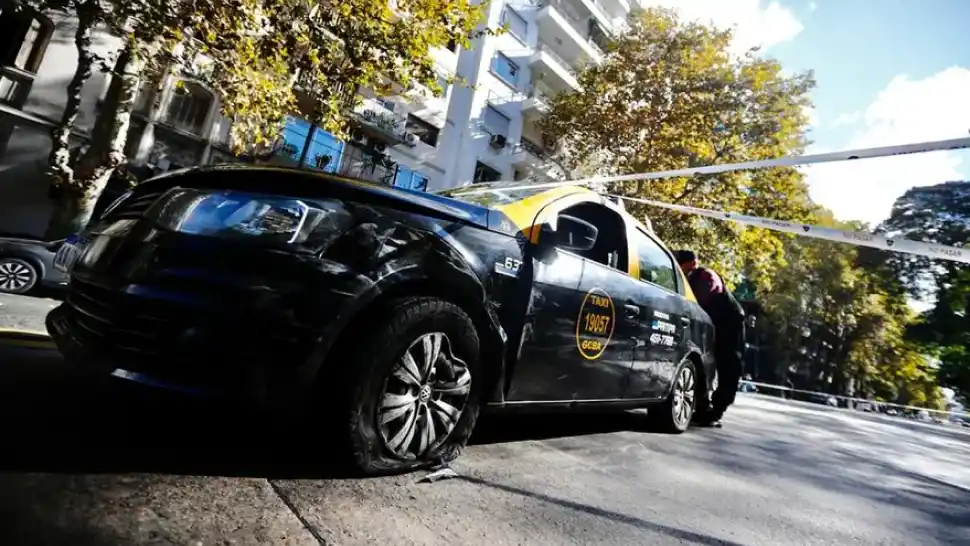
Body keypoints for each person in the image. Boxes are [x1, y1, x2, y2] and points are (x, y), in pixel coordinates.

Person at [674, 249, 746, 427]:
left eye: (679, 265)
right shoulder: (688, 279)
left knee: (728, 364)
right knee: (704, 362)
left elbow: (698, 303)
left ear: (690, 264)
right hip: (710, 323)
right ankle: (702, 405)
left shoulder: (707, 277)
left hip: (729, 324)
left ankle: (717, 411)